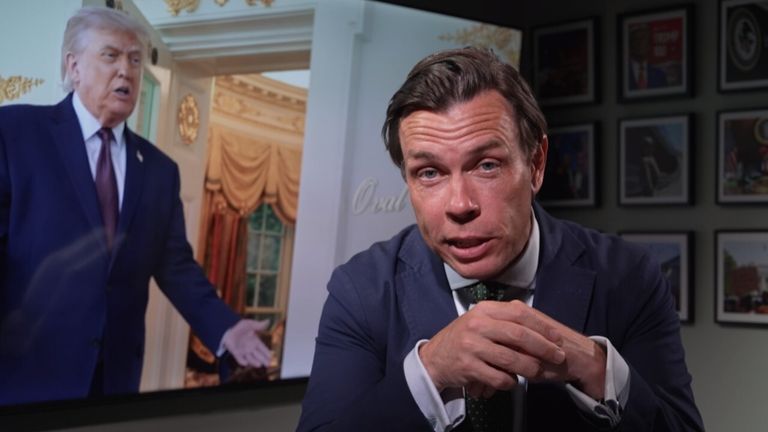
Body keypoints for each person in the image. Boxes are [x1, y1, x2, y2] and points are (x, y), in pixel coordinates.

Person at [297, 47, 703, 431]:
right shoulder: (360, 291)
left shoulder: (628, 277)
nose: (460, 204)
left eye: (486, 166)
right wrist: (429, 371)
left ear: (536, 164)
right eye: (430, 173)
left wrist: (596, 368)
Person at [0, 7, 270, 405]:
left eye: (135, 59)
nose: (125, 70)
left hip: (114, 382)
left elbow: (175, 266)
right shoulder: (15, 133)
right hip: (24, 378)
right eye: (110, 55)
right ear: (74, 66)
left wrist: (226, 328)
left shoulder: (160, 170)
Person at [628, 23, 668, 91]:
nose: (640, 43)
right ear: (630, 44)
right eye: (636, 39)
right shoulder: (624, 74)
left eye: (643, 39)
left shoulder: (659, 75)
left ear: (649, 44)